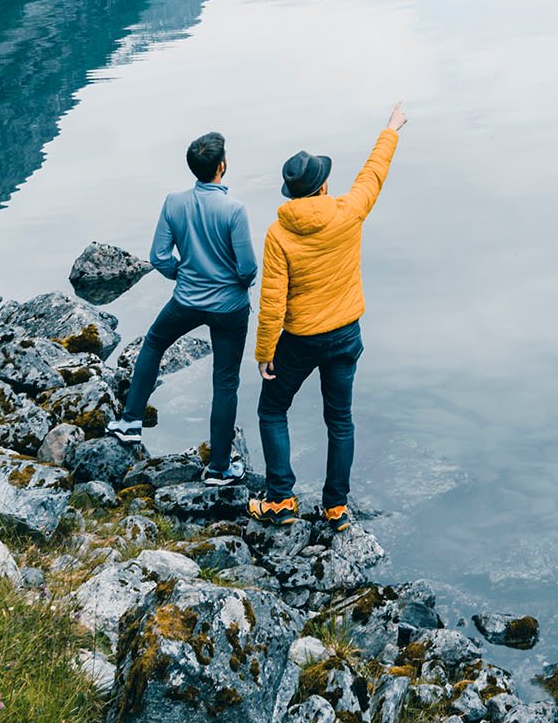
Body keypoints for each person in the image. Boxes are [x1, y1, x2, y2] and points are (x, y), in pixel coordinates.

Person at [251, 101, 407, 525]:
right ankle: (336, 506)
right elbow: (372, 175)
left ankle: (280, 498)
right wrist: (390, 129)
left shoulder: (278, 233)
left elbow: (272, 301)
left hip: (299, 341)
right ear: (321, 188)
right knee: (340, 419)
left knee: (272, 409)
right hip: (344, 336)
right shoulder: (348, 212)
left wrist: (265, 352)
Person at [107, 132, 259, 485]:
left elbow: (159, 257)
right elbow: (248, 268)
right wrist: (234, 281)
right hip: (229, 308)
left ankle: (130, 421)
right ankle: (219, 468)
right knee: (225, 382)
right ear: (222, 166)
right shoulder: (234, 210)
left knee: (154, 345)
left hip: (186, 300)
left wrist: (185, 275)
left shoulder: (173, 202)